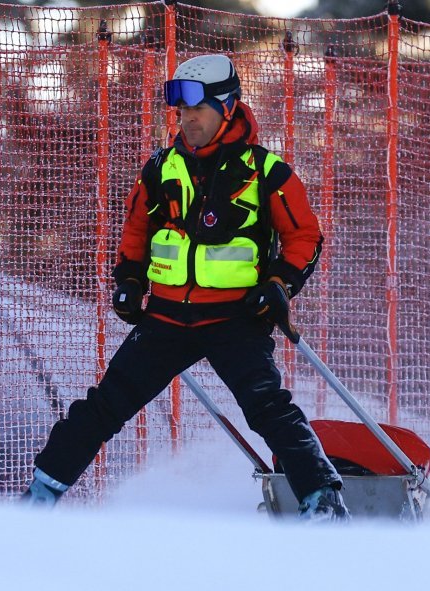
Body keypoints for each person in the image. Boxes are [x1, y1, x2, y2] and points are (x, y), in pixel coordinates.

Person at [22, 54, 348, 521]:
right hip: (167, 319)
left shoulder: (266, 172)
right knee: (103, 407)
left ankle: (324, 504)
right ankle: (37, 500)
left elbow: (305, 236)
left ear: (228, 107)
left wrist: (280, 284)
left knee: (269, 410)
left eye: (197, 107)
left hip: (237, 320)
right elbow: (135, 232)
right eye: (180, 109)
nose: (186, 118)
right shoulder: (160, 168)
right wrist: (130, 280)